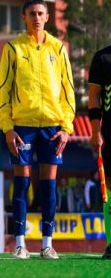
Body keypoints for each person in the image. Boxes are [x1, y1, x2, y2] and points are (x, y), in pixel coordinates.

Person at [0, 0, 75, 260]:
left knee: (49, 186)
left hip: (53, 127)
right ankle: (20, 243)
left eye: (41, 13)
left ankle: (47, 243)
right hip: (23, 128)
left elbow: (68, 91)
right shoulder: (13, 48)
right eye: (32, 13)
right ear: (24, 16)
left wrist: (66, 127)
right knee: (22, 184)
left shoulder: (58, 48)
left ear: (48, 16)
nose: (37, 17)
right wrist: (7, 127)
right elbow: (3, 91)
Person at [86, 41, 111, 258]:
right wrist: (96, 132)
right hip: (110, 131)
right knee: (110, 188)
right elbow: (94, 96)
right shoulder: (102, 58)